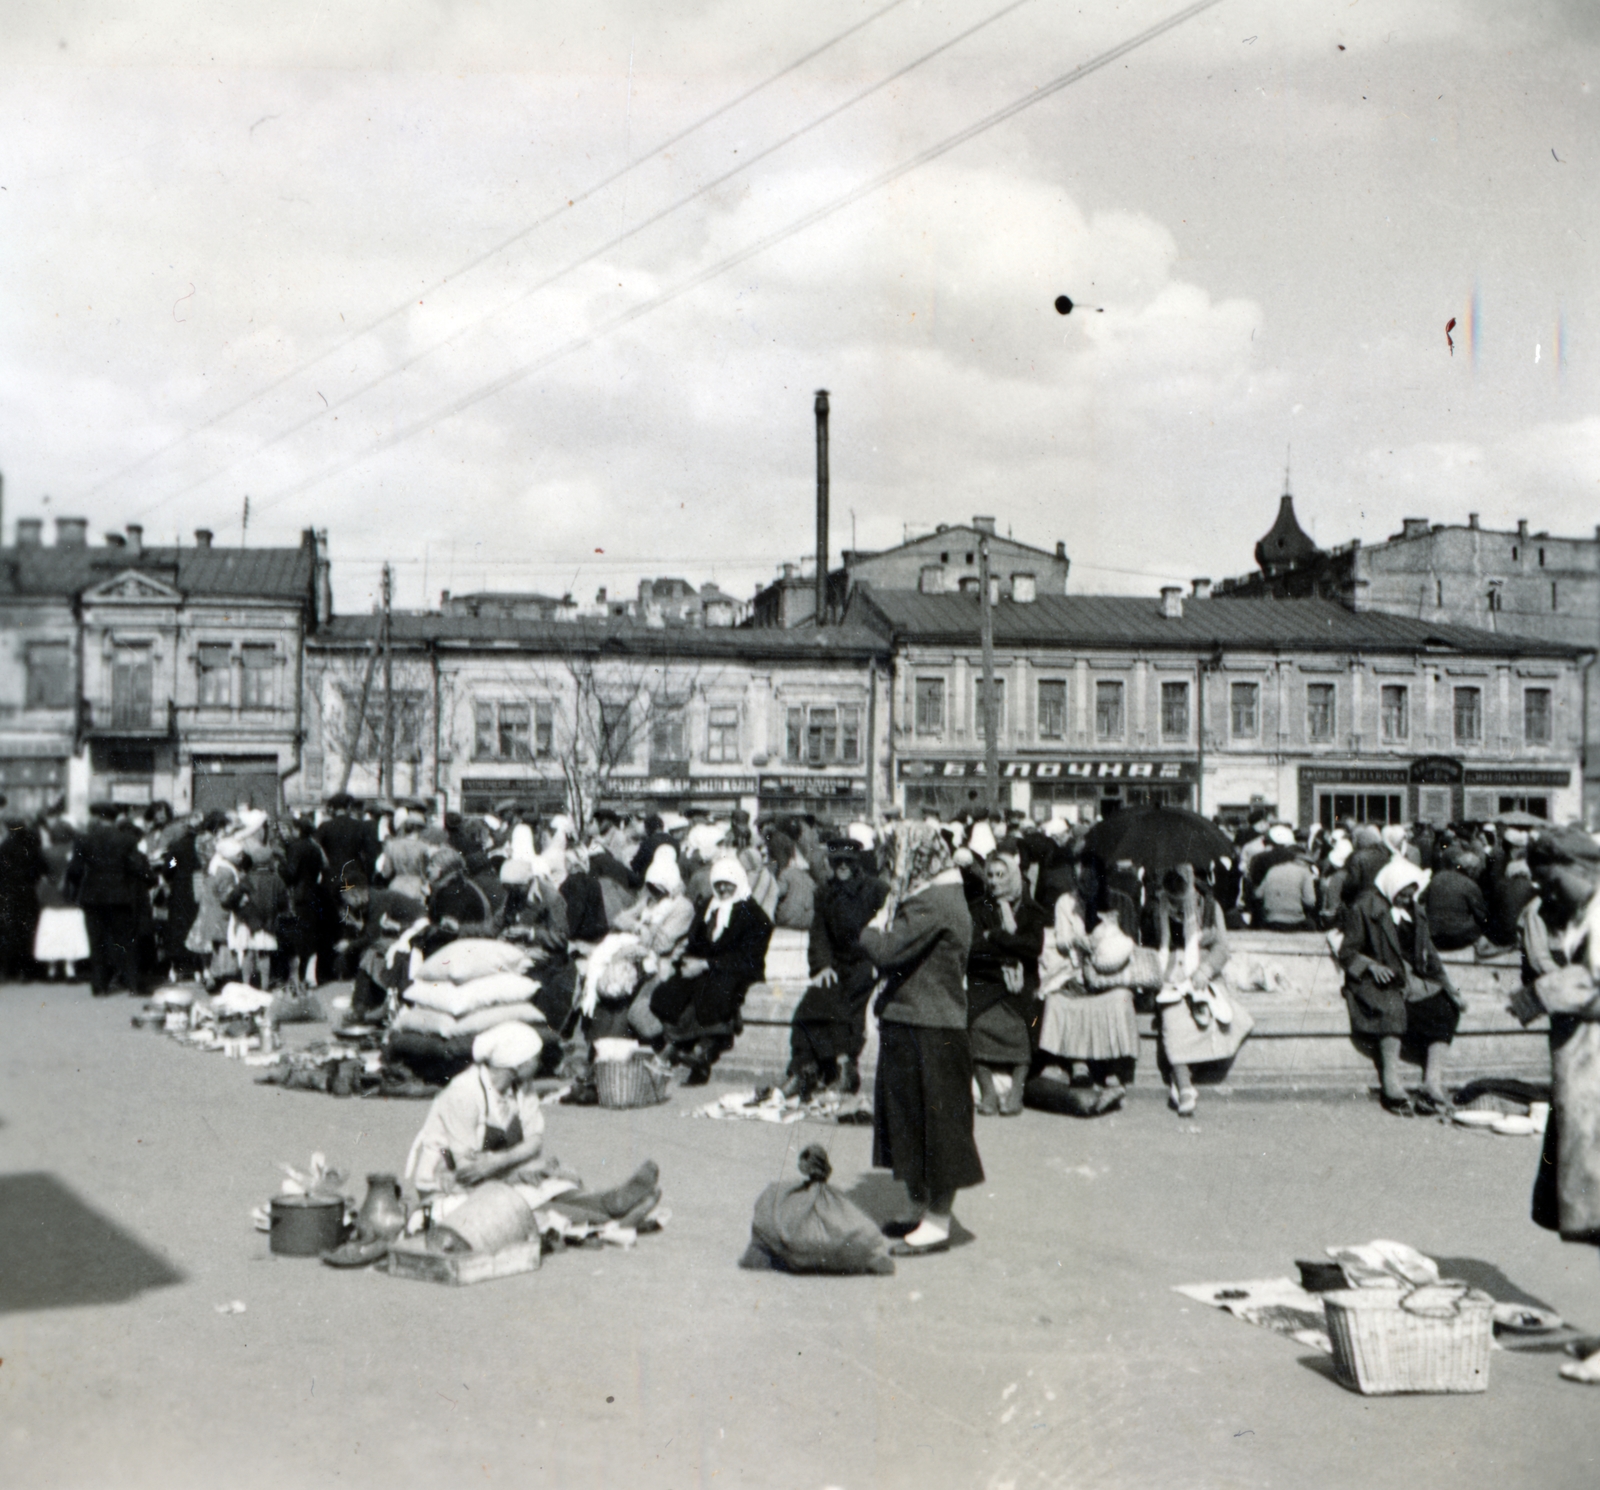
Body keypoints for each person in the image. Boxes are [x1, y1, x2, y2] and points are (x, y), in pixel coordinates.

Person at [857, 823, 984, 1257]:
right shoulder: (935, 895)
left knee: (937, 1130)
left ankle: (937, 1222)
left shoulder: (935, 901)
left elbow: (887, 949)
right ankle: (922, 1212)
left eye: (895, 856)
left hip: (930, 1026)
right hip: (917, 1021)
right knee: (911, 1124)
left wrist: (872, 927)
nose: (891, 867)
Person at [1512, 828, 1600, 1383]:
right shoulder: (1584, 914)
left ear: (1580, 867)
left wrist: (1539, 994)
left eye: (1551, 880)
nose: (1546, 893)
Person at [1337, 855, 1464, 1116]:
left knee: (1445, 1008)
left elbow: (1431, 955)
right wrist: (1371, 965)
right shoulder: (1365, 908)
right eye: (1403, 895)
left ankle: (1432, 1082)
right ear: (1392, 887)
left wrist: (1450, 989)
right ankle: (1391, 1082)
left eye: (1410, 895)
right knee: (1392, 1008)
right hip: (1374, 979)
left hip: (1409, 978)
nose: (1407, 900)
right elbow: (1347, 952)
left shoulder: (1415, 912)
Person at [649, 856, 773, 1084]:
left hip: (737, 970)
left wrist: (707, 965)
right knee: (671, 991)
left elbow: (749, 959)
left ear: (739, 882)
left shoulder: (755, 917)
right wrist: (688, 961)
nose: (723, 888)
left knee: (714, 989)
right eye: (718, 883)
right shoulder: (708, 906)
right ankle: (693, 1049)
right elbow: (695, 941)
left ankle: (693, 1049)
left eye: (728, 883)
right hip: (702, 967)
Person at [781, 837, 887, 1100]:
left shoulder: (876, 890)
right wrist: (822, 966)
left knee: (846, 1009)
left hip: (866, 961)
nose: (841, 866)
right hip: (836, 964)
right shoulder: (825, 893)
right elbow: (819, 934)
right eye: (836, 861)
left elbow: (888, 928)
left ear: (856, 863)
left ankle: (844, 1070)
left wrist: (881, 962)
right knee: (811, 1003)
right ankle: (803, 1070)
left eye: (847, 861)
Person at [966, 840, 1048, 1117]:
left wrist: (998, 936)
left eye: (1001, 875)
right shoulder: (979, 908)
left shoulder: (1031, 910)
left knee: (1029, 1018)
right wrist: (1006, 949)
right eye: (990, 875)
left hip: (1021, 980)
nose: (994, 881)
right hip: (987, 978)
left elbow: (1032, 948)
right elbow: (973, 948)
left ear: (1013, 876)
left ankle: (1016, 1091)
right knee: (975, 1019)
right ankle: (988, 1091)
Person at [1154, 863, 1236, 1118]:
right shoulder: (1157, 908)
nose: (1177, 905)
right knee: (1173, 1017)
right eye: (1172, 897)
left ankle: (1179, 1077)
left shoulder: (1210, 907)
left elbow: (1223, 948)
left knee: (1210, 1018)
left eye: (1181, 895)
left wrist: (1205, 970)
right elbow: (1152, 949)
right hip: (1170, 976)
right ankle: (1184, 1082)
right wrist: (1167, 967)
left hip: (1203, 974)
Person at [64, 804, 156, 996]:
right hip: (119, 896)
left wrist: (78, 888)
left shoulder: (84, 840)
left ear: (97, 817)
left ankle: (99, 986)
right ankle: (133, 984)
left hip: (92, 896)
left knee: (97, 941)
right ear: (115, 819)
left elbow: (74, 870)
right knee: (125, 941)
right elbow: (137, 866)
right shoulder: (127, 840)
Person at [0, 815, 48, 980]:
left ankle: (10, 969)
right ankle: (29, 970)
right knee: (28, 929)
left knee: (11, 930)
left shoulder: (4, 847)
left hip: (9, 893)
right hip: (28, 892)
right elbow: (41, 868)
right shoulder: (31, 846)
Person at [1423, 849, 1492, 951]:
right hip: (1458, 937)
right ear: (1471, 870)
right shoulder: (1470, 885)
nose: (1479, 874)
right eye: (1478, 870)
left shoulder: (1437, 877)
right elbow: (1481, 916)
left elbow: (1422, 899)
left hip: (1434, 934)